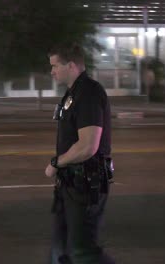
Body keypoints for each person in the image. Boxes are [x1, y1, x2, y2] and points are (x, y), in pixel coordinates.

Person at [45, 42, 115, 264]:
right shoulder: (72, 94)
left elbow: (88, 146)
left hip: (85, 184)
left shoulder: (89, 93)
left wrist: (56, 162)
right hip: (70, 184)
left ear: (72, 66)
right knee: (60, 248)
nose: (52, 71)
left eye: (55, 66)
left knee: (84, 251)